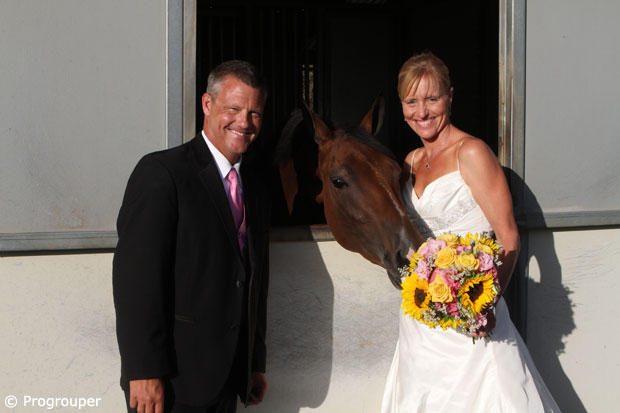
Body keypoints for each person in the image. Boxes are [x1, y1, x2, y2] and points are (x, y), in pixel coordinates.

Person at [381, 52, 560, 412]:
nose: (422, 112)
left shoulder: (472, 152)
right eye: (411, 102)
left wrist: (483, 306)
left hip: (471, 316)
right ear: (401, 106)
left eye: (432, 99)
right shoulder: (410, 162)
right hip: (420, 324)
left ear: (450, 97)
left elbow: (508, 237)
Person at [113, 60, 270, 413]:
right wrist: (143, 370)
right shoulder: (162, 173)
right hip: (171, 380)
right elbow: (136, 281)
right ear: (207, 104)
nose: (244, 122)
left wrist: (253, 360)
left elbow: (255, 280)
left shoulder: (256, 185)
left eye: (255, 113)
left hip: (228, 378)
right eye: (233, 109)